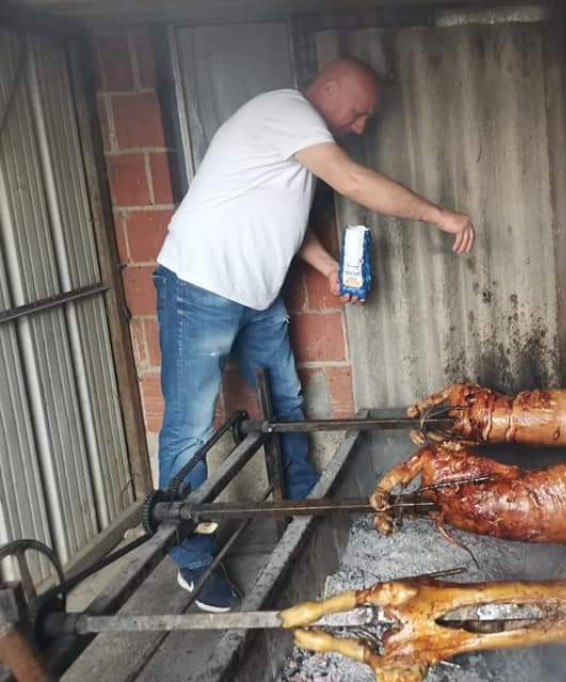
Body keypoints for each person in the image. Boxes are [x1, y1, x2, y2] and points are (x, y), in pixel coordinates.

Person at [153, 60, 475, 612]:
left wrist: (326, 266)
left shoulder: (295, 137)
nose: (360, 127)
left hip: (255, 292)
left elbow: (279, 215)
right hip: (199, 285)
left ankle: (302, 519)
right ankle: (191, 561)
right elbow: (351, 180)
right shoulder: (286, 110)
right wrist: (438, 215)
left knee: (286, 402)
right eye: (359, 113)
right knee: (189, 426)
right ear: (329, 88)